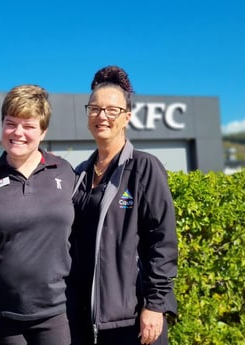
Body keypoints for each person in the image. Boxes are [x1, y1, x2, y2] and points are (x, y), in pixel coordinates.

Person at [68, 66, 178, 345]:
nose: (102, 116)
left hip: (133, 318)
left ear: (127, 116)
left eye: (111, 110)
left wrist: (155, 305)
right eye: (94, 108)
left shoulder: (143, 168)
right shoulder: (80, 174)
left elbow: (162, 242)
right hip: (89, 319)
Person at [0, 84, 76, 345]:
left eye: (28, 126)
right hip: (3, 314)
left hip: (54, 311)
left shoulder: (64, 172)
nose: (18, 133)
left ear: (43, 131)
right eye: (10, 123)